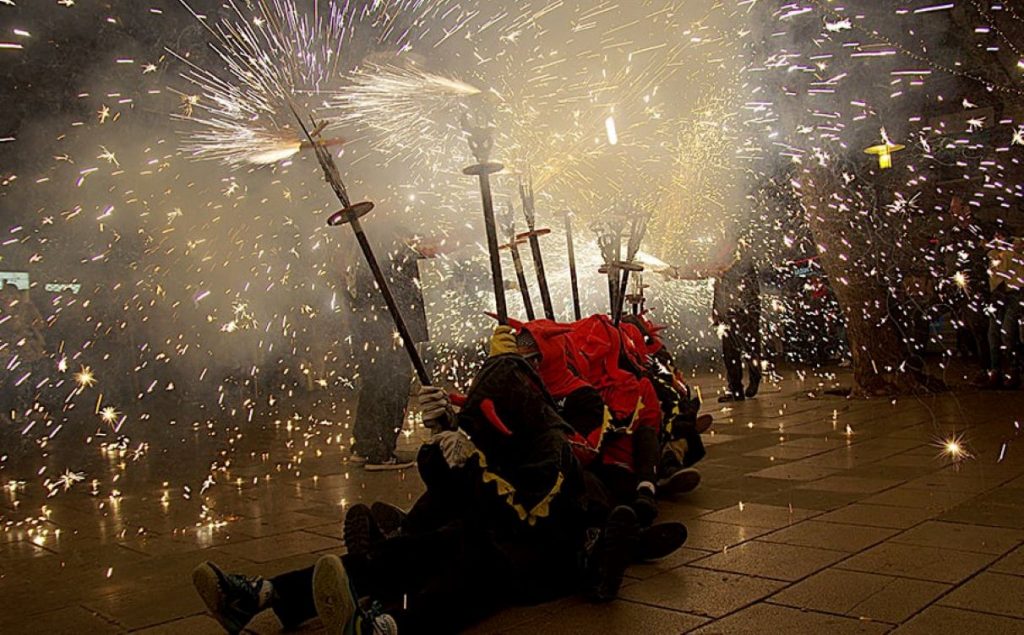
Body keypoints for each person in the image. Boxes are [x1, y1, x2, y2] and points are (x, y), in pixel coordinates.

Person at [192, 328, 664, 634]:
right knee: (411, 548)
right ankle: (265, 595)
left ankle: (388, 625)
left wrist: (470, 462)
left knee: (464, 559)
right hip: (492, 534)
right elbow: (450, 488)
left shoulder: (552, 445)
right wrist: (442, 441)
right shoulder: (502, 426)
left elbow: (525, 516)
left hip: (537, 556)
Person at [347, 229, 429, 470]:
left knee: (374, 383)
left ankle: (364, 447)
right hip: (391, 328)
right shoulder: (388, 243)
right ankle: (380, 452)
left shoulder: (372, 241)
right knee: (392, 385)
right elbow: (401, 289)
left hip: (375, 330)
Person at [713, 244, 763, 402]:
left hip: (744, 315)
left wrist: (751, 316)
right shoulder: (721, 270)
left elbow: (751, 293)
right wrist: (716, 312)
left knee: (750, 350)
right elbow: (718, 293)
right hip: (727, 316)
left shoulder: (744, 266)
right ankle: (735, 390)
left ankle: (754, 380)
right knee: (730, 354)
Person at [981, 227, 1024, 389]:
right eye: (995, 235)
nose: (997, 238)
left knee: (1007, 334)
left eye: (1001, 236)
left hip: (1014, 296)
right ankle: (996, 372)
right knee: (993, 335)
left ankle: (1014, 371)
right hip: (997, 297)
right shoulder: (993, 255)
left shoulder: (1015, 251)